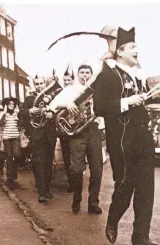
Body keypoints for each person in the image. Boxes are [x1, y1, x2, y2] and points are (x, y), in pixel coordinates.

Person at [93, 27, 158, 245]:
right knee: (125, 186)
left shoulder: (138, 76)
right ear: (120, 51)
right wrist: (126, 102)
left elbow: (141, 104)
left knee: (146, 189)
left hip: (143, 139)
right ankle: (113, 220)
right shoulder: (107, 75)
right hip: (122, 141)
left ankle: (140, 237)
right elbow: (99, 107)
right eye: (132, 47)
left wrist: (150, 98)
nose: (136, 50)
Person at [49, 64, 103, 215]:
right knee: (76, 169)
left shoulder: (97, 90)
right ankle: (77, 199)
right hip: (77, 132)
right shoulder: (70, 89)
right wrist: (67, 103)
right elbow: (52, 105)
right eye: (82, 72)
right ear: (78, 75)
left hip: (93, 129)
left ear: (91, 75)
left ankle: (93, 203)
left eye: (88, 72)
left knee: (97, 169)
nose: (85, 75)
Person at [19, 75, 57, 203]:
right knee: (38, 163)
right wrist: (30, 111)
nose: (39, 86)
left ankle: (47, 189)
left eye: (41, 83)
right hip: (36, 135)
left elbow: (59, 113)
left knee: (48, 163)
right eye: (37, 84)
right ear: (34, 85)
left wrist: (52, 115)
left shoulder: (52, 98)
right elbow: (21, 114)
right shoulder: (30, 99)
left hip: (50, 135)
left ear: (45, 84)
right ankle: (41, 192)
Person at [0, 97, 21, 190]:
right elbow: (0, 123)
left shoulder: (16, 114)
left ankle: (13, 175)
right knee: (9, 157)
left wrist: (18, 116)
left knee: (17, 155)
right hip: (7, 138)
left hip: (15, 137)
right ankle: (11, 178)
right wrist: (4, 113)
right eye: (9, 104)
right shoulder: (5, 114)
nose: (11, 105)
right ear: (6, 105)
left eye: (13, 104)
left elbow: (21, 124)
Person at [58, 66, 75, 192]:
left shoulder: (76, 92)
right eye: (65, 80)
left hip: (75, 126)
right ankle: (71, 182)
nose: (67, 83)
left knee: (75, 157)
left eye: (69, 80)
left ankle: (76, 181)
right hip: (64, 128)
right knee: (66, 157)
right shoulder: (60, 94)